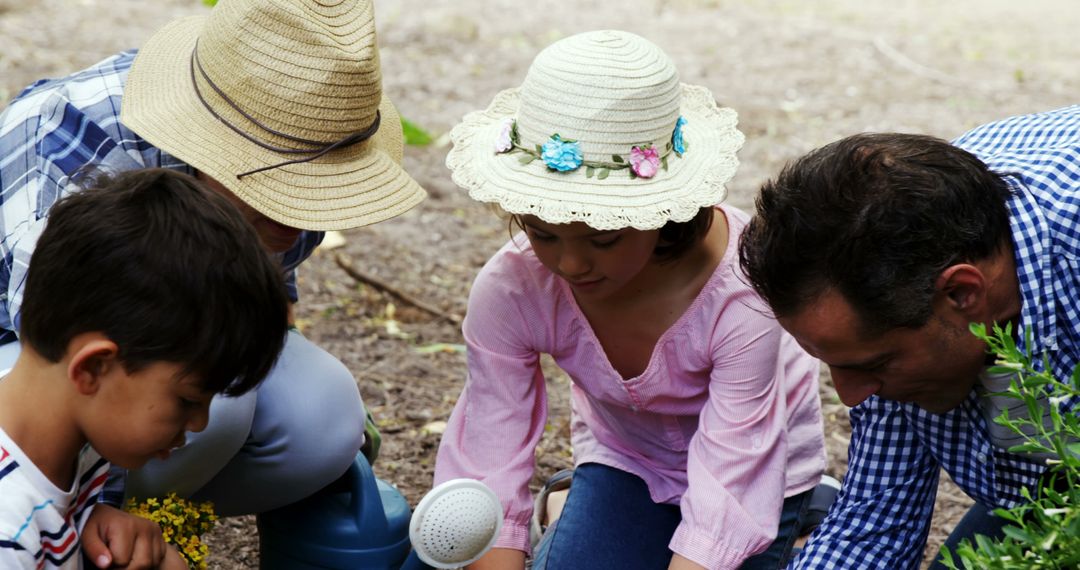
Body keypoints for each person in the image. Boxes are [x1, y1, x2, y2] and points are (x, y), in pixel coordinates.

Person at [0, 0, 426, 522]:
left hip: (141, 359)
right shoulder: (76, 142)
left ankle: (157, 511)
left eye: (319, 190)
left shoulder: (312, 131)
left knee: (324, 419)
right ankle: (58, 519)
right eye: (281, 187)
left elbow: (264, 293)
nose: (299, 220)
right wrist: (95, 508)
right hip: (25, 363)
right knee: (220, 405)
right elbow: (60, 368)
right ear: (211, 142)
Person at [435, 30, 827, 570]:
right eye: (542, 232)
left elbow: (736, 465)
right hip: (629, 457)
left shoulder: (743, 292)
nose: (569, 265)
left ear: (664, 212)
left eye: (603, 237)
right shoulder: (513, 286)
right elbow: (489, 445)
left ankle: (813, 506)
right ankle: (577, 499)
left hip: (760, 470)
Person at [737, 105, 1080, 568]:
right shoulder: (901, 263)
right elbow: (873, 527)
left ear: (962, 293)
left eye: (873, 365)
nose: (849, 396)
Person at [0, 168, 290, 568]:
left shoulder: (71, 443)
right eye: (187, 400)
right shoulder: (8, 534)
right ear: (93, 368)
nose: (200, 424)